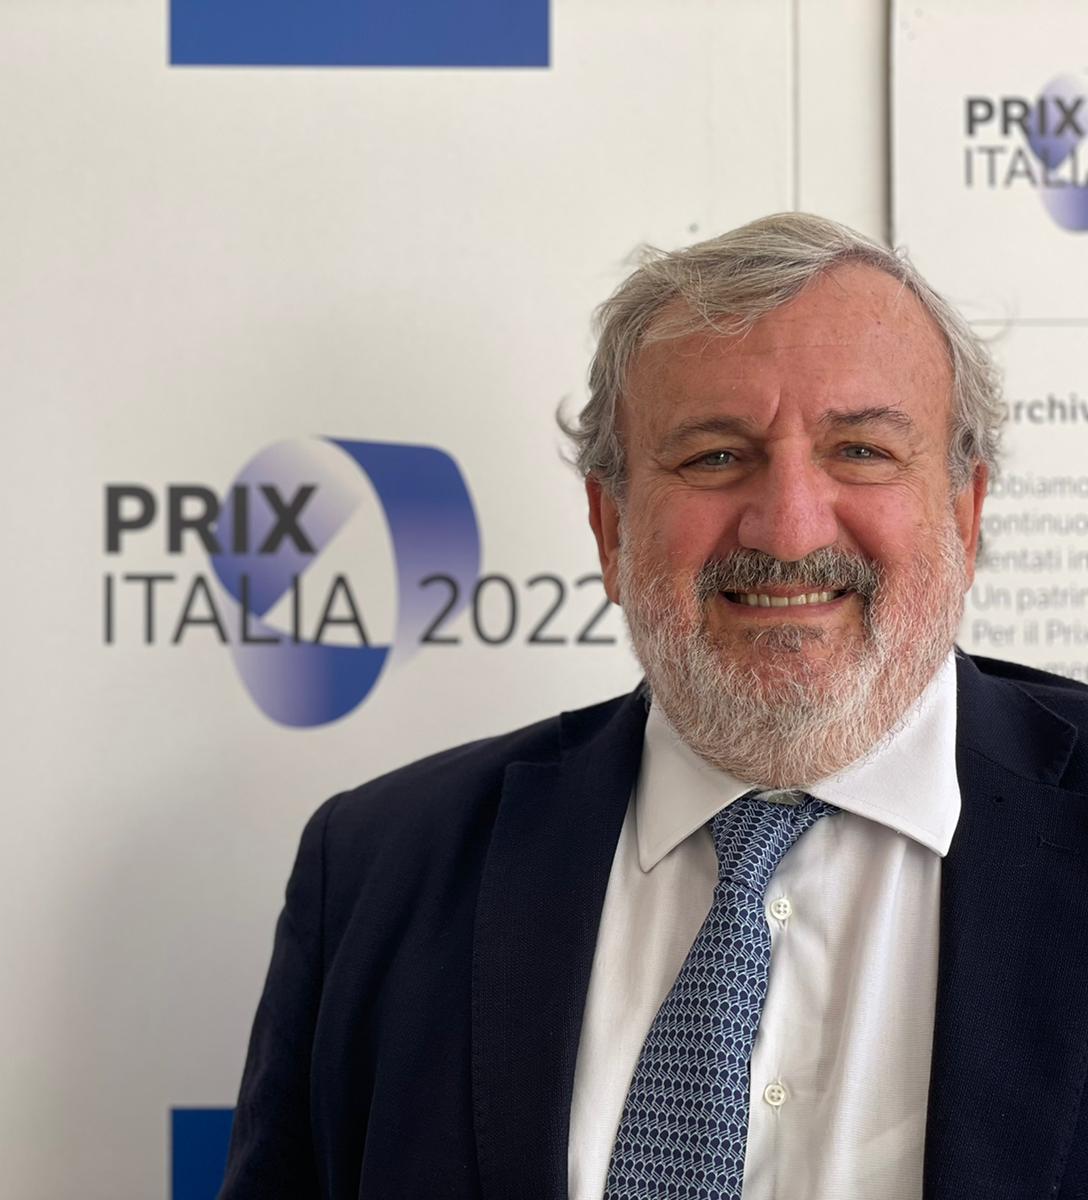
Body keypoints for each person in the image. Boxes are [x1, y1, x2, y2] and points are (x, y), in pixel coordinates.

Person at [218, 213, 1088, 1200]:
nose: (789, 528)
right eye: (715, 457)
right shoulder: (379, 869)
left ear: (965, 515)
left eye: (860, 450)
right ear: (610, 526)